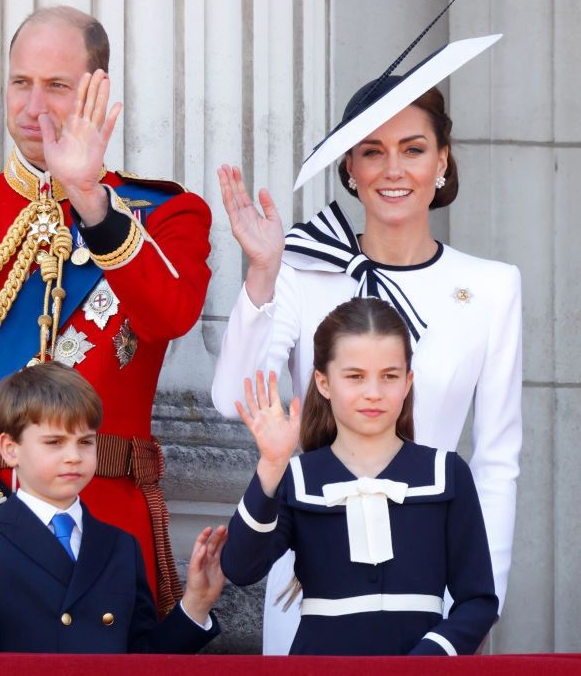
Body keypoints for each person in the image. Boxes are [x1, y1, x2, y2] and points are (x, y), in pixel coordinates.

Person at [0, 6, 212, 643]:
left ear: (97, 90)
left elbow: (170, 314)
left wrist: (90, 200)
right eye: (20, 82)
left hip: (104, 535)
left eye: (56, 85)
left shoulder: (166, 213)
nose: (34, 105)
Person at [212, 70, 521, 652]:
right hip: (311, 584)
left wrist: (479, 607)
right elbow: (234, 400)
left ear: (443, 160)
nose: (393, 169)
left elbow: (498, 459)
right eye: (371, 152)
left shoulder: (492, 287)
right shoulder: (301, 269)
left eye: (414, 149)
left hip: (435, 599)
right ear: (349, 168)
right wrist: (262, 273)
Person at [222, 297, 498, 655]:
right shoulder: (298, 478)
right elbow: (240, 567)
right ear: (323, 382)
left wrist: (428, 660)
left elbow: (478, 601)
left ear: (408, 381)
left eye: (389, 376)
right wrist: (272, 466)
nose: (373, 393)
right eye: (355, 377)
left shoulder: (447, 473)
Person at [0, 362, 225, 653]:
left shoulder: (121, 546)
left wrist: (195, 604)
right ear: (10, 449)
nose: (73, 456)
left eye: (85, 442)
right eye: (54, 442)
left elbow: (143, 660)